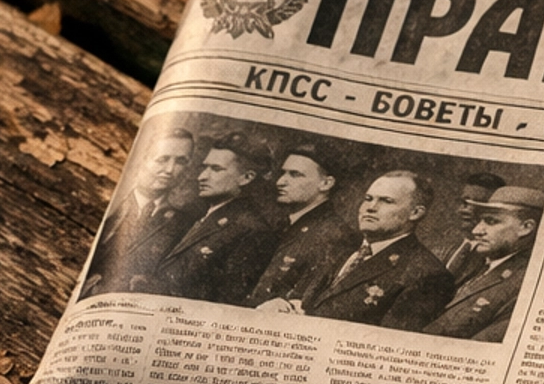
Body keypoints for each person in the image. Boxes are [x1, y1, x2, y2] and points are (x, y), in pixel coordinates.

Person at [306, 170, 454, 331]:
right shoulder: (343, 248)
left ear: (415, 213)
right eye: (368, 199)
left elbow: (388, 343)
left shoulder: (427, 274)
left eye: (386, 201)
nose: (371, 207)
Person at [153, 136, 279, 304]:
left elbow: (224, 301)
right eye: (205, 168)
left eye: (216, 169)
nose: (202, 177)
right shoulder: (198, 214)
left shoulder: (253, 230)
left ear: (246, 178)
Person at [83, 125, 196, 295]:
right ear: (142, 159)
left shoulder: (184, 223)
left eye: (180, 161)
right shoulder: (112, 207)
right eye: (162, 159)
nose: (170, 170)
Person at [421, 187, 543, 342]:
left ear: (525, 228)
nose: (476, 230)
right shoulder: (474, 264)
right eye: (479, 221)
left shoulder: (525, 285)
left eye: (491, 221)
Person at [249, 147, 355, 308]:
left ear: (326, 183)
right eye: (283, 173)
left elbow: (305, 302)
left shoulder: (334, 235)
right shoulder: (282, 225)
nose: (280, 182)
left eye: (295, 175)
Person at [442, 178, 497, 283]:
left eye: (478, 203)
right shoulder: (447, 247)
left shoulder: (493, 256)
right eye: (464, 202)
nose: (466, 210)